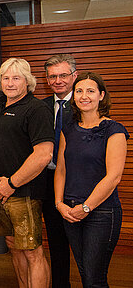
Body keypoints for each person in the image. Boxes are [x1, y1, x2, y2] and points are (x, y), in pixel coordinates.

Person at [54, 71, 128, 287]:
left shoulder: (114, 130)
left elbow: (113, 177)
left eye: (90, 91)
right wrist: (59, 204)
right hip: (70, 212)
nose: (84, 96)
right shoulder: (68, 129)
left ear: (101, 96)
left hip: (102, 213)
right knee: (86, 273)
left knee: (94, 278)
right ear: (73, 96)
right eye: (79, 91)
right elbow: (61, 169)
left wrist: (86, 207)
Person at [0, 58, 54, 288]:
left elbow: (44, 154)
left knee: (33, 251)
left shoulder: (37, 109)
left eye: (16, 78)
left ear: (28, 81)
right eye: (6, 78)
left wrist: (12, 183)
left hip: (24, 192)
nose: (10, 83)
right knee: (13, 245)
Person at [42, 54, 77, 288]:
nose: (58, 80)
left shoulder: (86, 103)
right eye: (53, 76)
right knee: (56, 241)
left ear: (74, 76)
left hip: (78, 182)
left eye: (63, 75)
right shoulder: (41, 107)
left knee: (84, 243)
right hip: (47, 180)